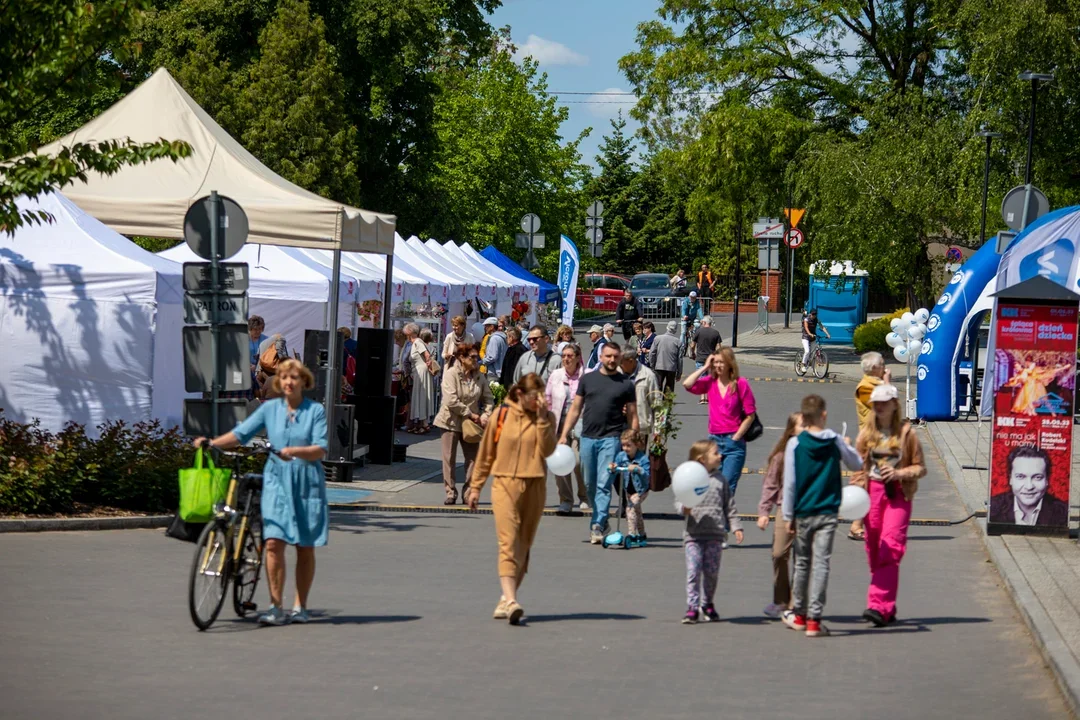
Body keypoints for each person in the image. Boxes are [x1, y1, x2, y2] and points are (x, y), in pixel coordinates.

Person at [194, 359, 328, 626]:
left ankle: (300, 606)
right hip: (276, 481)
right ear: (278, 381)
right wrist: (211, 443)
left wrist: (295, 452)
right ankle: (276, 606)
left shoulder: (315, 411)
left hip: (306, 483)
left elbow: (321, 448)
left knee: (304, 546)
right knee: (272, 543)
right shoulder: (270, 409)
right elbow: (241, 434)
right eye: (284, 377)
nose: (289, 382)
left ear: (304, 381)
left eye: (294, 377)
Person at [466, 374, 556, 625]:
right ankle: (513, 600)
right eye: (533, 396)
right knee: (508, 542)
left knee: (524, 546)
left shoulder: (546, 418)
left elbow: (549, 451)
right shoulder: (501, 416)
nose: (537, 401)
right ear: (519, 394)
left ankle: (505, 599)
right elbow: (485, 454)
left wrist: (540, 420)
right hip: (505, 484)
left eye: (541, 396)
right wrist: (476, 487)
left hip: (535, 484)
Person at [781, 394, 864, 637]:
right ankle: (815, 620)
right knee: (821, 563)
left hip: (804, 511)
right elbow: (856, 464)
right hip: (827, 510)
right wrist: (847, 445)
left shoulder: (795, 444)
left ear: (803, 417)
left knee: (802, 562)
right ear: (824, 415)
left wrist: (788, 516)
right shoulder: (835, 440)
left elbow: (790, 483)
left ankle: (799, 614)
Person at [855, 384, 927, 627]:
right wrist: (855, 501)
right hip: (872, 493)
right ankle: (888, 606)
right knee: (873, 550)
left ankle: (878, 605)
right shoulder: (867, 432)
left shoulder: (907, 434)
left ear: (895, 404)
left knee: (890, 547)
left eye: (884, 402)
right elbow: (858, 467)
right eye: (876, 403)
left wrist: (899, 473)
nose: (879, 406)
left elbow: (920, 467)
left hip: (898, 494)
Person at [558, 341, 639, 544]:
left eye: (615, 356)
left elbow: (632, 414)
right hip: (587, 437)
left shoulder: (626, 383)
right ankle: (602, 521)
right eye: (608, 356)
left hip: (611, 439)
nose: (612, 359)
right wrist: (563, 434)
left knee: (604, 482)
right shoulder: (588, 380)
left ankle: (597, 524)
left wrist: (633, 439)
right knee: (589, 483)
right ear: (601, 357)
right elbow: (576, 409)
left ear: (619, 358)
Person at [676, 440, 744, 624]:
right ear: (702, 459)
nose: (720, 455)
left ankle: (707, 603)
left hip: (715, 535)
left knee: (712, 572)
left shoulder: (721, 480)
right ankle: (692, 607)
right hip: (693, 536)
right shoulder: (691, 478)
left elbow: (729, 506)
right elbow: (680, 501)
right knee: (693, 571)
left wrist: (736, 526)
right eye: (715, 453)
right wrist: (685, 508)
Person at [682, 347, 756, 495]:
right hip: (714, 442)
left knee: (727, 487)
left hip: (734, 443)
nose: (718, 366)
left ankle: (724, 517)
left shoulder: (740, 384)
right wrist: (704, 367)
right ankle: (716, 517)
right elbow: (687, 384)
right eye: (715, 362)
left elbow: (750, 415)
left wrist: (737, 436)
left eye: (721, 362)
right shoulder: (710, 382)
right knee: (712, 486)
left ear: (730, 363)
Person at [757, 412, 804, 620]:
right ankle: (781, 599)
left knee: (803, 558)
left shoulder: (813, 453)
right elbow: (770, 485)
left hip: (807, 511)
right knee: (779, 554)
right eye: (803, 425)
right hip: (784, 510)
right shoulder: (781, 455)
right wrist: (764, 512)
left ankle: (795, 604)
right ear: (792, 430)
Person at [434, 344, 494, 505]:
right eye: (472, 357)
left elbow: (488, 398)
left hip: (471, 424)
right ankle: (450, 492)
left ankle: (468, 492)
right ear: (462, 358)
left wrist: (486, 414)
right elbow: (450, 400)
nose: (476, 360)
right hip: (450, 421)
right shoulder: (451, 374)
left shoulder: (479, 376)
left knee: (473, 459)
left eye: (477, 357)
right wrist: (470, 413)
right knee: (449, 458)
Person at [850, 351, 891, 541]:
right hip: (868, 442)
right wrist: (887, 382)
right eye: (882, 363)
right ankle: (856, 524)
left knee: (878, 484)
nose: (884, 366)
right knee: (865, 483)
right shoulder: (865, 387)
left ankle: (872, 524)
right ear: (874, 368)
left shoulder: (875, 384)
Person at [546, 342, 590, 513]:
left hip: (581, 424)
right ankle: (565, 500)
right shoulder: (556, 375)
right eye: (563, 356)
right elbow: (548, 399)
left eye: (570, 356)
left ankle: (584, 497)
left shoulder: (587, 375)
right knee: (560, 461)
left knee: (579, 462)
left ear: (578, 357)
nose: (566, 359)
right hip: (559, 424)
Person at [989, 445, 1068, 527]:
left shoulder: (1063, 512)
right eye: (1020, 477)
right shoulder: (993, 508)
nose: (1029, 487)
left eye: (1037, 477)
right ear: (1010, 479)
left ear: (1047, 480)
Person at [611, 429, 651, 547]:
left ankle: (631, 534)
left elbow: (647, 475)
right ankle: (642, 535)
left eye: (629, 445)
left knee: (630, 508)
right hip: (628, 490)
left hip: (640, 490)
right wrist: (613, 467)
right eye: (623, 445)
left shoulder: (642, 459)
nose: (625, 448)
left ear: (636, 444)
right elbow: (616, 466)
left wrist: (638, 469)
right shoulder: (621, 456)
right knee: (637, 512)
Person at [619, 347, 658, 436]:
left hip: (640, 427)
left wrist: (658, 431)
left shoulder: (648, 376)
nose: (619, 364)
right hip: (617, 426)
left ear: (631, 361)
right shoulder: (616, 373)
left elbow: (657, 405)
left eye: (621, 362)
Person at [406, 323, 434, 434]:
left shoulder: (417, 342)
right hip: (419, 371)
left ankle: (424, 424)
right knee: (420, 397)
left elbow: (427, 355)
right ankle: (422, 424)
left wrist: (429, 364)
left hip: (421, 371)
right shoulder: (416, 343)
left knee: (421, 397)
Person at [691, 316, 722, 404]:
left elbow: (692, 345)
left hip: (700, 358)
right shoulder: (715, 333)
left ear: (704, 323)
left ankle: (702, 398)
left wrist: (692, 353)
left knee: (701, 378)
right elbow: (719, 347)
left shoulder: (698, 331)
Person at [649, 320, 682, 393]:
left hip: (659, 365)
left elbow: (652, 353)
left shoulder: (658, 338)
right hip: (671, 367)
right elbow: (679, 358)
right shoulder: (678, 341)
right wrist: (679, 372)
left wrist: (652, 365)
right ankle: (667, 403)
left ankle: (657, 402)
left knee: (657, 386)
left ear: (667, 327)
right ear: (675, 329)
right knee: (669, 387)